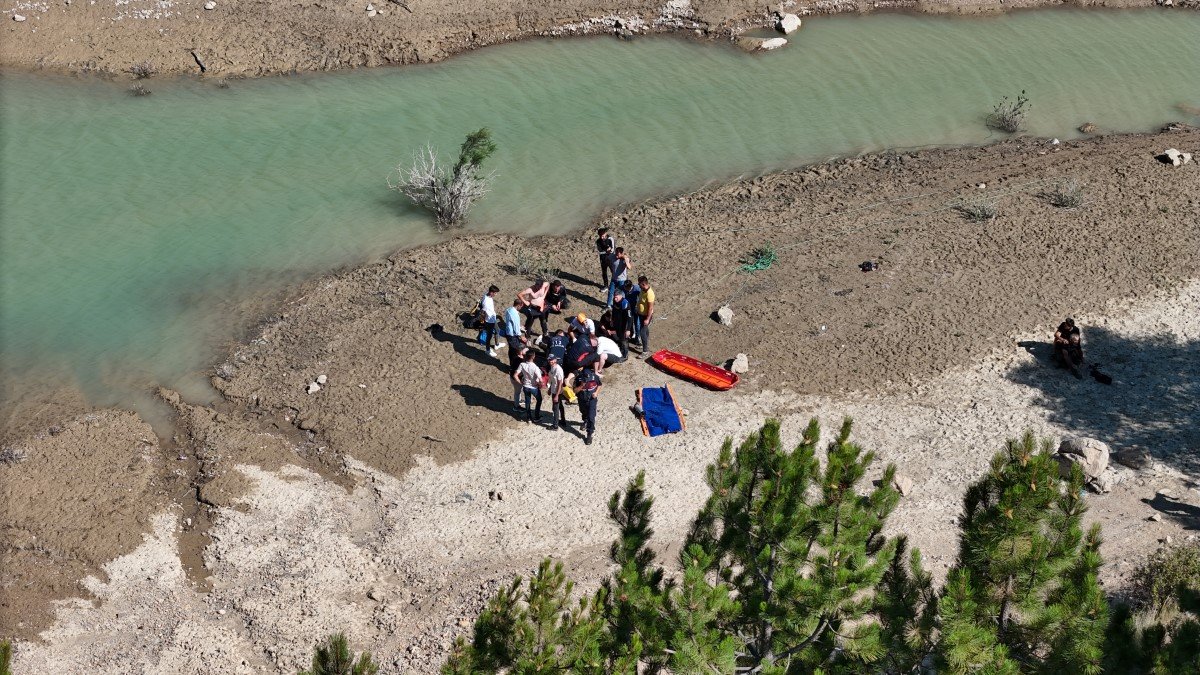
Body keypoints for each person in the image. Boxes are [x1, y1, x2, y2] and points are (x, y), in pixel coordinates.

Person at [574, 365, 602, 445]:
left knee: (591, 416)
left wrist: (596, 393)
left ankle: (589, 434)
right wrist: (581, 385)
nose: (587, 378)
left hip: (592, 400)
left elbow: (599, 385)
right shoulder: (578, 378)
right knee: (583, 412)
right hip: (582, 399)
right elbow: (575, 391)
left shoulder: (595, 376)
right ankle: (585, 421)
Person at [513, 350, 544, 422]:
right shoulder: (535, 367)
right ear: (533, 357)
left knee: (527, 401)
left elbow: (515, 375)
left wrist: (520, 382)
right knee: (539, 400)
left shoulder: (522, 364)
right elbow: (541, 380)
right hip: (534, 387)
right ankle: (536, 416)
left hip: (525, 386)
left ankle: (528, 418)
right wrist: (540, 385)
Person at [636, 275, 655, 356]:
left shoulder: (650, 294)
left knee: (642, 332)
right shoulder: (643, 290)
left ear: (643, 284)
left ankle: (645, 351)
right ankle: (645, 345)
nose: (638, 285)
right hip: (641, 314)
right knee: (645, 330)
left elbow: (650, 308)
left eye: (639, 284)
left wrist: (647, 319)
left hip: (646, 315)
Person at [546, 354, 567, 430]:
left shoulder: (558, 369)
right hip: (554, 389)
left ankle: (555, 426)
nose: (550, 361)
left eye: (551, 360)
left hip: (557, 391)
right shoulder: (552, 367)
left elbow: (560, 384)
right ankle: (563, 421)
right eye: (549, 360)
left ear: (555, 360)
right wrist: (549, 389)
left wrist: (557, 395)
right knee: (560, 406)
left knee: (555, 408)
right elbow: (551, 379)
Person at [610, 290, 633, 356]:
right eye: (614, 297)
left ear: (621, 296)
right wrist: (612, 320)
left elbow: (630, 318)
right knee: (619, 337)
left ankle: (625, 355)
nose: (615, 299)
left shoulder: (625, 303)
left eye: (616, 297)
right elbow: (614, 311)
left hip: (624, 324)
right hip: (617, 323)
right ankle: (620, 350)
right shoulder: (615, 300)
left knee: (624, 340)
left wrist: (628, 329)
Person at [480, 284, 500, 357]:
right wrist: (484, 321)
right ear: (491, 292)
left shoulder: (488, 295)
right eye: (495, 293)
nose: (496, 294)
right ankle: (488, 350)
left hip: (493, 318)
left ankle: (497, 345)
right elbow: (483, 312)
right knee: (489, 336)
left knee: (497, 330)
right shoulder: (486, 301)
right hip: (489, 321)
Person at [622, 279, 642, 346]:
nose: (625, 289)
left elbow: (640, 298)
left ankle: (637, 338)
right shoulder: (623, 288)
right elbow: (618, 290)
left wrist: (637, 306)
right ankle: (630, 334)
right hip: (628, 309)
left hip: (635, 309)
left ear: (630, 286)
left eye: (626, 288)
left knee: (637, 323)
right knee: (629, 322)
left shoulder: (637, 289)